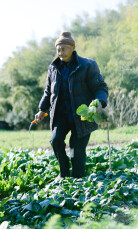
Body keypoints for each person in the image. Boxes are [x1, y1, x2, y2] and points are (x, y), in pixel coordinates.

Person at [34, 32, 108, 178]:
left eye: (64, 49)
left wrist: (100, 102)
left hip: (81, 117)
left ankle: (78, 183)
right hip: (61, 115)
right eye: (58, 50)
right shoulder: (53, 68)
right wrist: (42, 110)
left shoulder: (87, 65)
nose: (61, 53)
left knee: (77, 151)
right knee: (55, 141)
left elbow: (100, 87)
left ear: (73, 48)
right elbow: (48, 92)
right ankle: (64, 174)